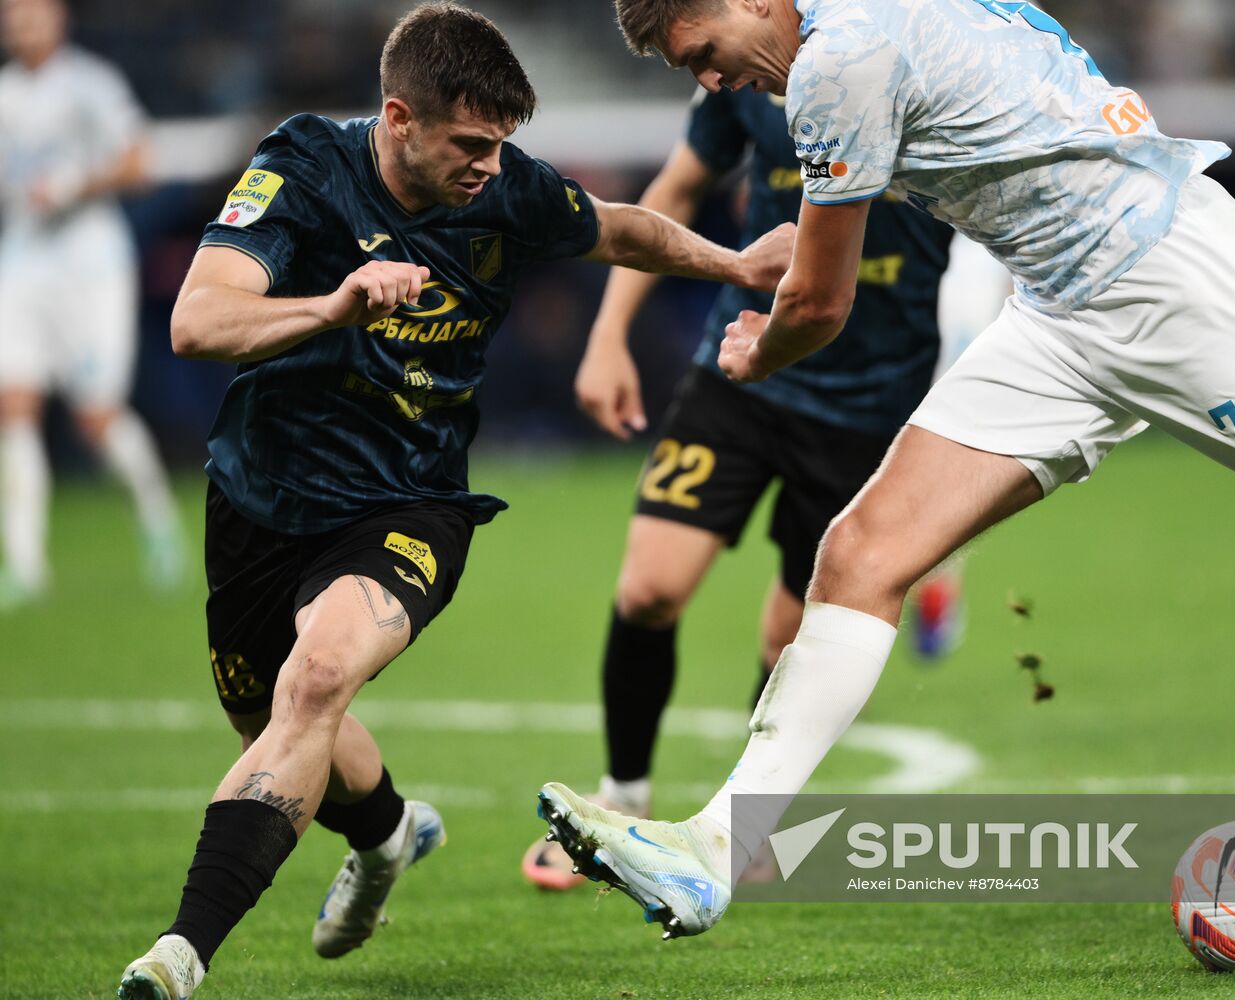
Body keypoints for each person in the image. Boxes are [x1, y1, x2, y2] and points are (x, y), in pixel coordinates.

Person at [538, 0, 1235, 941]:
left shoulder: (836, 57)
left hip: (1171, 277)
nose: (708, 81)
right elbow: (973, 123)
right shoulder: (862, 30)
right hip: (1060, 310)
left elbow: (817, 307)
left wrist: (756, 352)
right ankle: (712, 853)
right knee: (859, 553)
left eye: (697, 53)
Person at [115, 5, 792, 997]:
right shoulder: (304, 168)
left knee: (317, 679)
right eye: (470, 143)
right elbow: (197, 321)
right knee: (275, 719)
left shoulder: (505, 190)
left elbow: (622, 230)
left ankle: (178, 955)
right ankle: (390, 834)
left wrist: (734, 265)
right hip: (261, 497)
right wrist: (336, 303)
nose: (488, 164)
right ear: (399, 118)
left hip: (408, 502)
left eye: (501, 144)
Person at [519, 83, 1004, 889]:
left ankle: (736, 830)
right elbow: (673, 187)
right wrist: (607, 335)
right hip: (738, 372)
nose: (700, 66)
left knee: (788, 642)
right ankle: (622, 801)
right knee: (647, 590)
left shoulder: (917, 79)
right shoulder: (742, 85)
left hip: (865, 412)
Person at [0, 0, 183, 608]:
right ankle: (25, 566)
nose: (22, 23)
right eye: (12, 13)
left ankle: (158, 523)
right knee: (13, 404)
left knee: (96, 417)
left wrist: (75, 185)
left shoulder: (91, 84)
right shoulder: (4, 94)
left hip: (90, 269)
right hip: (23, 264)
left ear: (58, 17)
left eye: (32, 12)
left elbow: (141, 162)